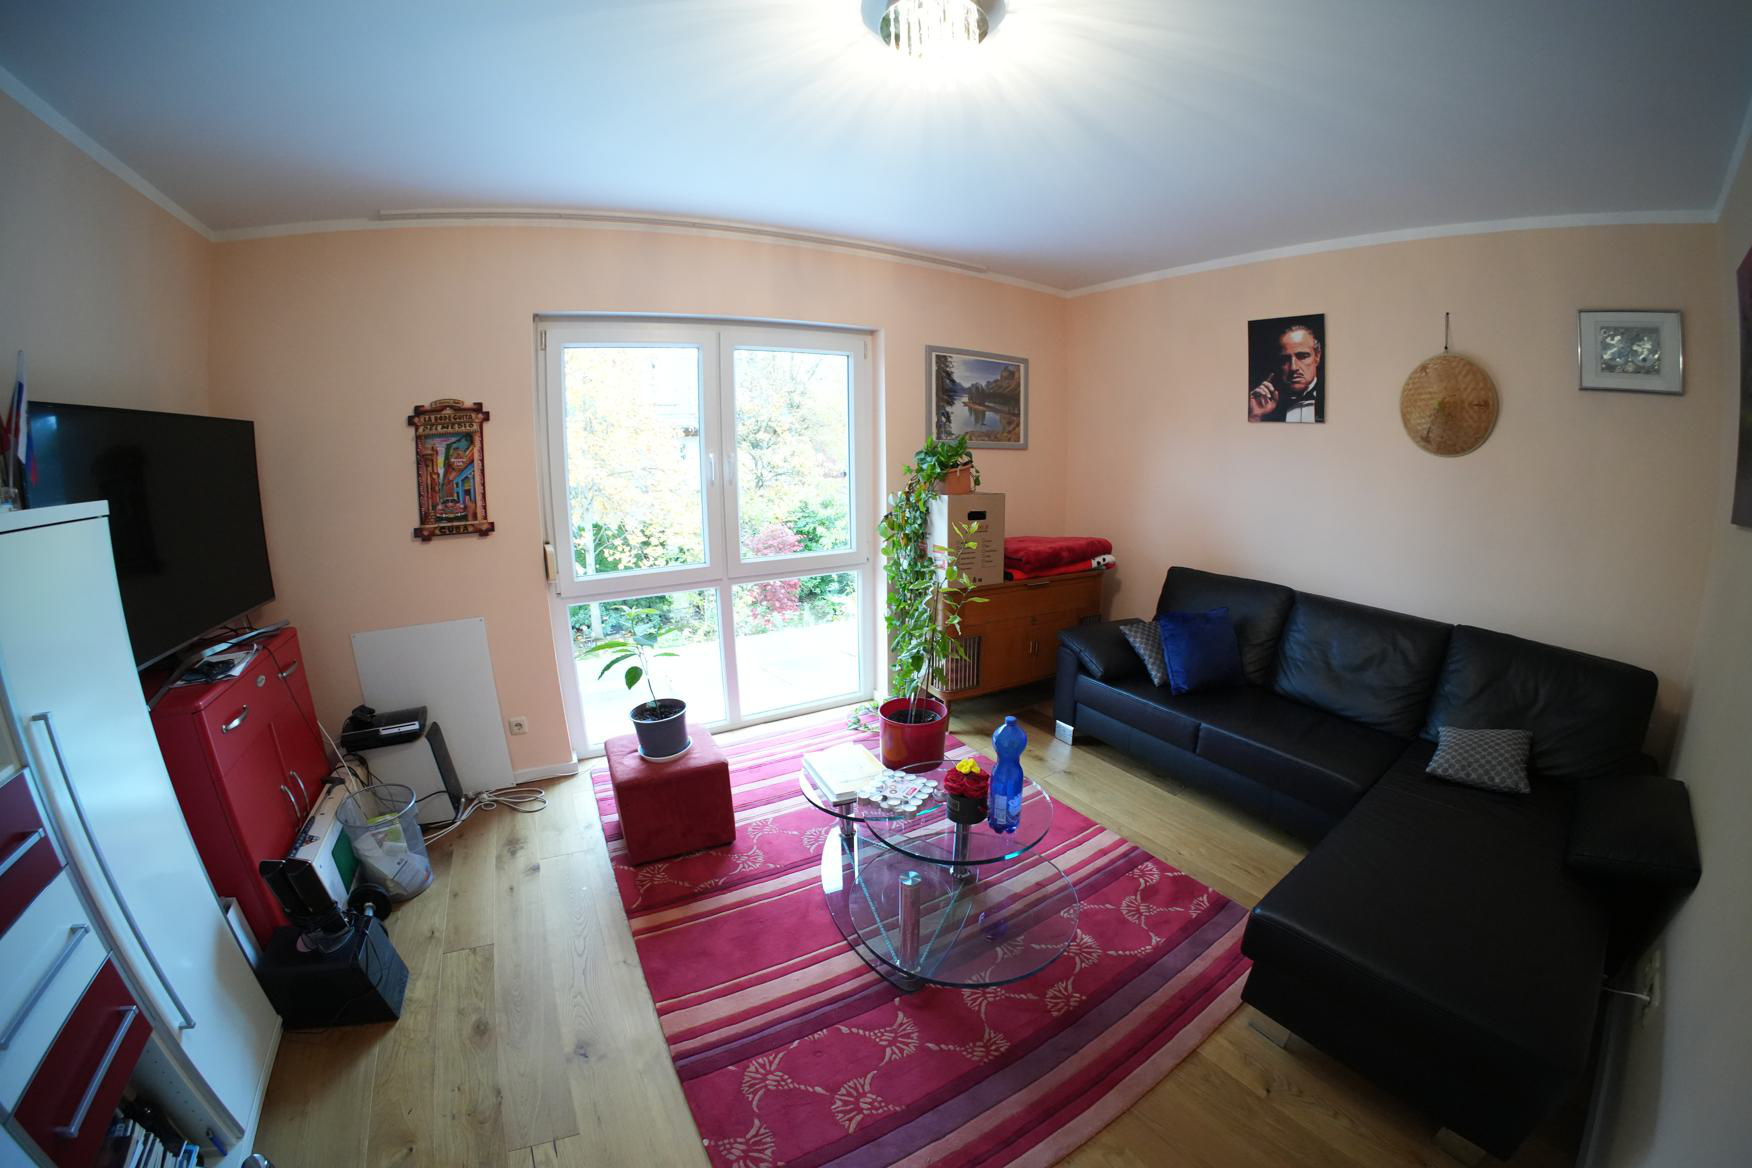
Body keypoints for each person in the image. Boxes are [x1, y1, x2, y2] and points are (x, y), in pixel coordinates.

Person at [1248, 322, 1324, 423]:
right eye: (1284, 360)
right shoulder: (1266, 405)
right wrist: (1255, 416)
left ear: (1317, 357)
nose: (1293, 367)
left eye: (1302, 356)